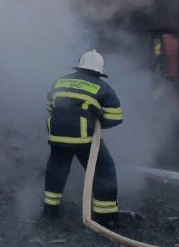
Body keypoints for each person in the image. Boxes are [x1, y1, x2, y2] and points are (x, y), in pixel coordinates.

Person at [42, 49, 124, 226]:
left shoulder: (60, 80)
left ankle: (50, 210)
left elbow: (49, 105)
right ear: (100, 69)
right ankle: (105, 216)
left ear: (80, 65)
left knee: (56, 169)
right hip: (83, 139)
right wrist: (96, 119)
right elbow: (115, 117)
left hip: (57, 135)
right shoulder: (103, 87)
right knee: (104, 170)